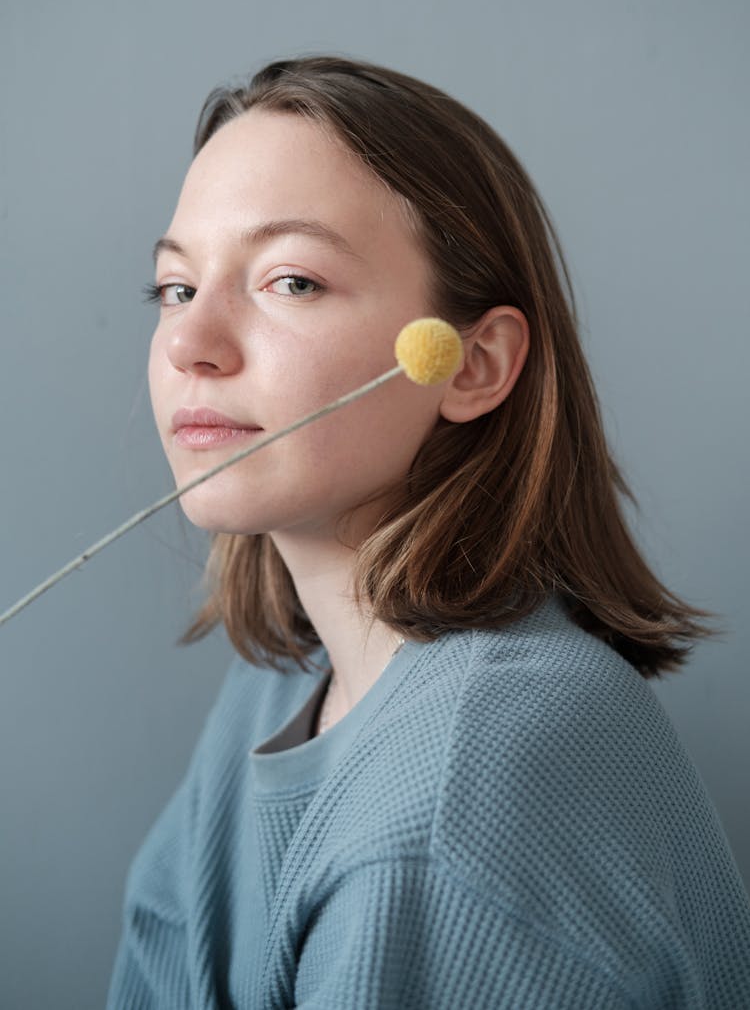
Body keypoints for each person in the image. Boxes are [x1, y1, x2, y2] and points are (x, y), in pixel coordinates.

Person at [106, 57, 750, 1009]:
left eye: (290, 280)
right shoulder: (279, 689)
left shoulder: (464, 793)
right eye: (174, 287)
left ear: (474, 364)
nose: (189, 343)